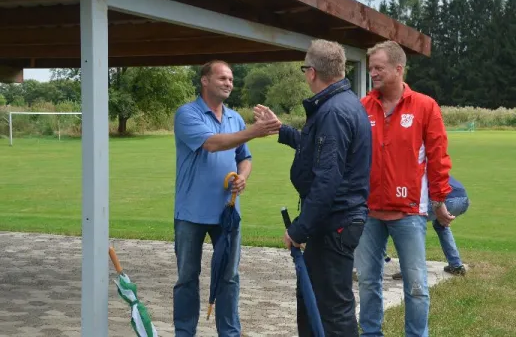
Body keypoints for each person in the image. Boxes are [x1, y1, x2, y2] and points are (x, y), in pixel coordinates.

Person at [254, 39, 372, 336]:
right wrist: (282, 130)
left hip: (335, 222)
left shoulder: (332, 112)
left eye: (305, 68)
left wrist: (299, 229)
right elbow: (315, 150)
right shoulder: (340, 105)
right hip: (333, 221)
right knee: (313, 300)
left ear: (311, 72)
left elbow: (328, 179)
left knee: (331, 308)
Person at [172, 60, 281, 337]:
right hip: (191, 214)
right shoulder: (187, 114)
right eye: (222, 78)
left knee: (229, 278)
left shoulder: (235, 118)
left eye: (231, 79)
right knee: (187, 278)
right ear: (205, 81)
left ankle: (229, 333)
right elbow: (212, 143)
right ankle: (184, 332)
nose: (229, 83)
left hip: (227, 214)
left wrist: (243, 175)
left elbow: (244, 157)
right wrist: (256, 131)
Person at [355, 40, 453, 337]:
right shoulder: (362, 107)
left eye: (378, 67)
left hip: (408, 212)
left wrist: (439, 202)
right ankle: (371, 333)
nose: (372, 73)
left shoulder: (425, 106)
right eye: (370, 67)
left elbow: (438, 158)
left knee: (416, 286)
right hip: (369, 211)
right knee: (368, 282)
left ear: (399, 69)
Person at [392, 175, 470, 280]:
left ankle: (410, 269)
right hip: (463, 200)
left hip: (446, 199)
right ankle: (456, 265)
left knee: (409, 223)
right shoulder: (427, 165)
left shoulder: (409, 169)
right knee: (440, 224)